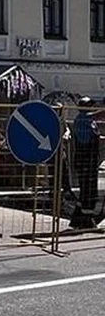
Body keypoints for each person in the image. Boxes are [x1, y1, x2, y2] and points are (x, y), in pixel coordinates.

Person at [70, 97, 101, 229]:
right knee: (89, 191)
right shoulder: (84, 120)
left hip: (87, 160)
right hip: (86, 160)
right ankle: (86, 221)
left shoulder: (84, 120)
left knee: (86, 191)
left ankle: (77, 220)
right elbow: (87, 140)